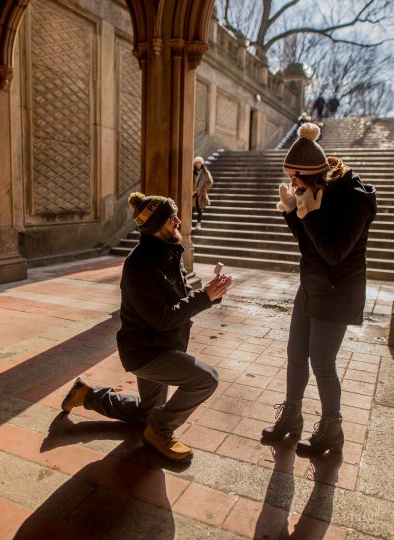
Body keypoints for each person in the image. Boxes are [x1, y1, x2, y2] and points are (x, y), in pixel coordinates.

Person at [61, 192, 232, 463]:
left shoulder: (169, 252)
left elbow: (182, 298)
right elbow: (162, 318)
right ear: (154, 227)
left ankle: (87, 395)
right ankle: (159, 432)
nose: (178, 220)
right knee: (206, 379)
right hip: (147, 353)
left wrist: (212, 292)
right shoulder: (140, 265)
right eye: (170, 218)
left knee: (147, 411)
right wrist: (205, 297)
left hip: (164, 346)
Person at [261, 122, 377, 455]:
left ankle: (332, 429)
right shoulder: (309, 190)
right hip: (311, 284)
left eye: (295, 179)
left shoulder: (352, 200)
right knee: (295, 355)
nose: (291, 184)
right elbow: (307, 245)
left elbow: (334, 253)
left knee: (322, 362)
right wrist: (292, 213)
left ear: (311, 174)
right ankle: (291, 417)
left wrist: (307, 214)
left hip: (339, 289)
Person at [192, 156, 213, 230]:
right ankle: (189, 224)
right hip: (193, 193)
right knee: (191, 209)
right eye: (196, 163)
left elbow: (210, 182)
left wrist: (204, 189)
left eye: (199, 163)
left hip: (201, 193)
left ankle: (198, 224)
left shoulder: (206, 172)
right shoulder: (193, 172)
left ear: (202, 163)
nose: (198, 164)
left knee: (199, 209)